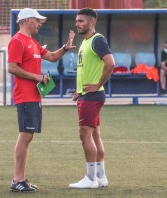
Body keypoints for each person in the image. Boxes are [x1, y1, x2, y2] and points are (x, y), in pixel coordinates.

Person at [7, 8, 75, 192]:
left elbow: (52, 57)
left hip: (34, 96)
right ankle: (17, 180)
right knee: (25, 135)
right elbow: (11, 67)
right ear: (27, 20)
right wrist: (37, 77)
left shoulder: (32, 42)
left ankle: (20, 179)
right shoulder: (17, 41)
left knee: (27, 137)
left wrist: (65, 48)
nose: (39, 24)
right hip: (25, 96)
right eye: (38, 21)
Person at [69, 8, 115, 189]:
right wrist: (79, 90)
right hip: (86, 95)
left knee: (85, 135)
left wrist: (96, 85)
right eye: (77, 21)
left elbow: (110, 63)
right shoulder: (85, 42)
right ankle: (101, 177)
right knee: (95, 135)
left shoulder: (97, 40)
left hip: (93, 96)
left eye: (81, 21)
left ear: (92, 22)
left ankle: (90, 178)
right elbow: (86, 70)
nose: (77, 24)